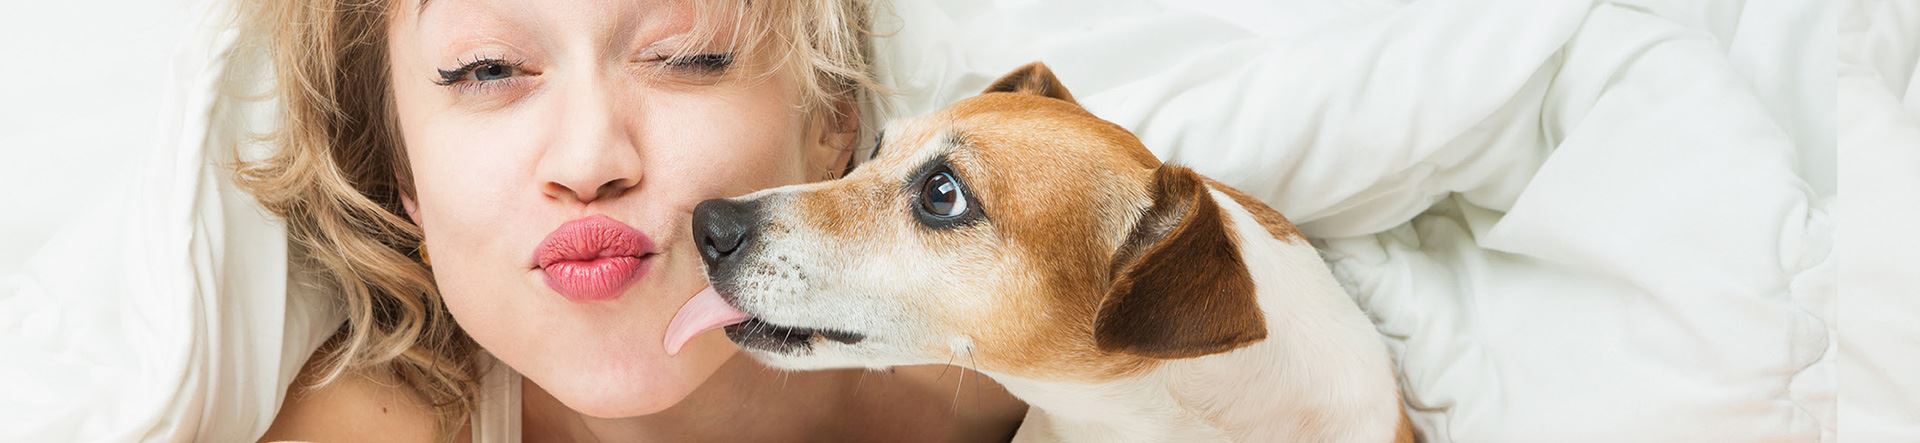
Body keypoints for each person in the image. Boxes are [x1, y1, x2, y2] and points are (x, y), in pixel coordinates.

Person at [243, 0, 1028, 440]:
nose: (589, 160)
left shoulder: (1036, 386)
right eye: (488, 69)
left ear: (829, 123)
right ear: (403, 173)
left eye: (685, 56)